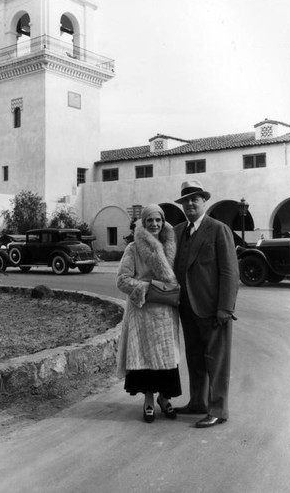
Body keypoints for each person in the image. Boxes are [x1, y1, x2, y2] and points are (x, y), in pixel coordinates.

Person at [173, 180, 239, 428]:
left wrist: (226, 307)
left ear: (203, 201)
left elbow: (230, 272)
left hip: (213, 309)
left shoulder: (218, 229)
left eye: (195, 199)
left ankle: (218, 409)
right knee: (195, 357)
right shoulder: (178, 231)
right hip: (186, 308)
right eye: (186, 200)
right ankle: (198, 402)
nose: (190, 203)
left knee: (217, 361)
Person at [116, 204, 181, 423]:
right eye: (150, 220)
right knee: (146, 359)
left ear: (163, 222)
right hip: (143, 310)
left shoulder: (170, 245)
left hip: (166, 311)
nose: (154, 224)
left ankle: (165, 398)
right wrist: (146, 287)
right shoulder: (134, 248)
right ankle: (149, 400)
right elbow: (122, 280)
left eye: (158, 220)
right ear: (143, 223)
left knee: (166, 357)